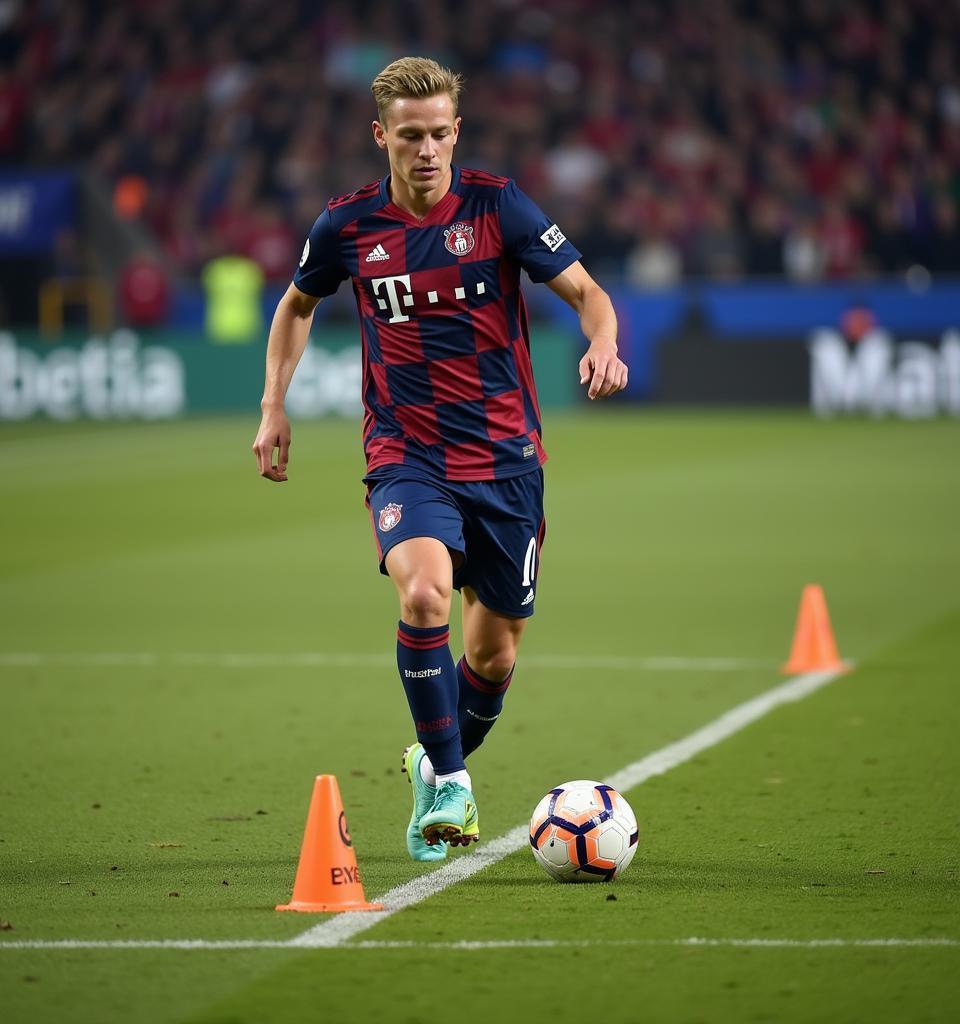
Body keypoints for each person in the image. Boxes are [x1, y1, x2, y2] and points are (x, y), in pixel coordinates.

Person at [252, 57, 627, 863]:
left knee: (492, 654)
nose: (426, 150)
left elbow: (589, 293)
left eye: (439, 134)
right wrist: (272, 403)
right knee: (422, 593)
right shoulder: (347, 226)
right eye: (410, 135)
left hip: (506, 458)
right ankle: (452, 781)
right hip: (407, 454)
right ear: (381, 134)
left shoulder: (499, 206)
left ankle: (431, 756)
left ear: (458, 131)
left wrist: (603, 342)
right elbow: (296, 305)